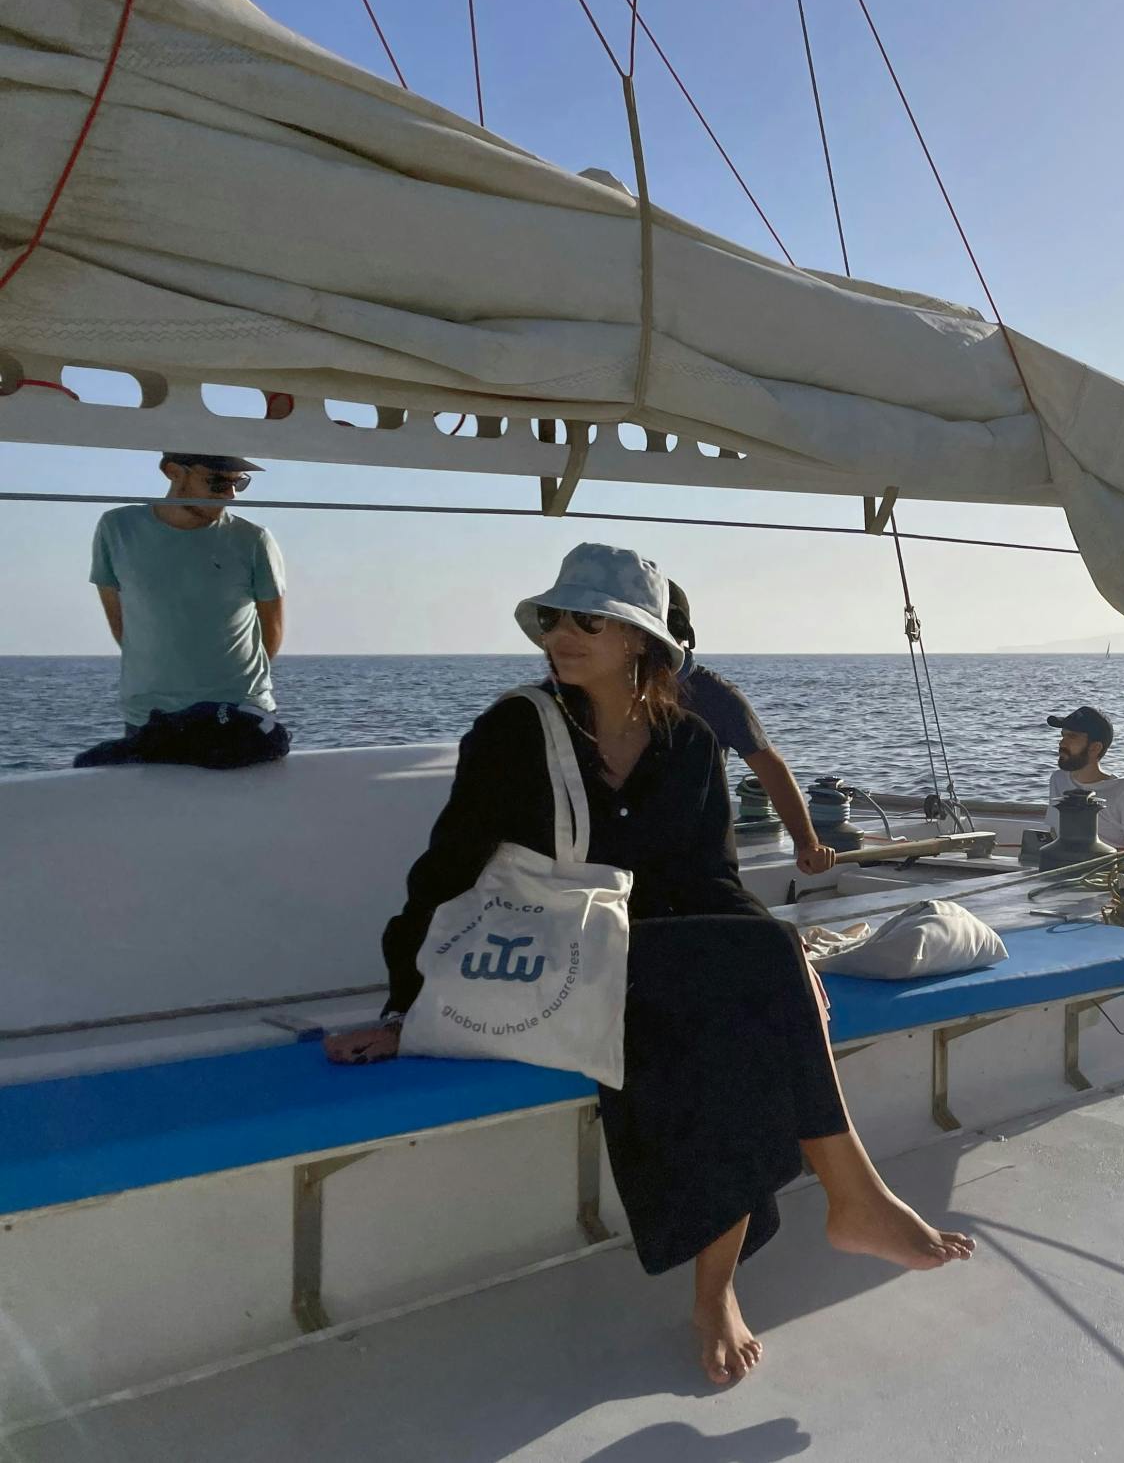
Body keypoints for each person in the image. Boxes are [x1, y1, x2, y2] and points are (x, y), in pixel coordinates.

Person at [323, 543, 971, 1385]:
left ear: (638, 640)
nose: (562, 634)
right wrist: (402, 1007)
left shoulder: (690, 742)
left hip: (659, 959)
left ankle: (719, 1292)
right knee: (751, 983)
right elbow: (445, 870)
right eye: (554, 618)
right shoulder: (517, 730)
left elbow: (713, 883)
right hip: (555, 956)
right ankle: (849, 1196)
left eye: (588, 620)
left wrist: (779, 966)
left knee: (743, 1017)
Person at [76, 452, 289, 769]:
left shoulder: (254, 540)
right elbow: (121, 623)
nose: (229, 495)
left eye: (238, 483)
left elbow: (272, 632)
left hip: (237, 715)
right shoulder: (117, 528)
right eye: (217, 482)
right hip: (150, 717)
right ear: (174, 472)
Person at [666, 579, 834, 875]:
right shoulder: (605, 690)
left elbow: (771, 769)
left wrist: (808, 844)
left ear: (682, 632)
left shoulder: (717, 696)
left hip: (699, 853)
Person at [1046, 705, 1124, 847]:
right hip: (1066, 863)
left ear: (1095, 748)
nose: (1062, 743)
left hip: (1109, 868)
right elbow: (1054, 834)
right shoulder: (1058, 779)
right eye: (1063, 735)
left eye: (1072, 737)